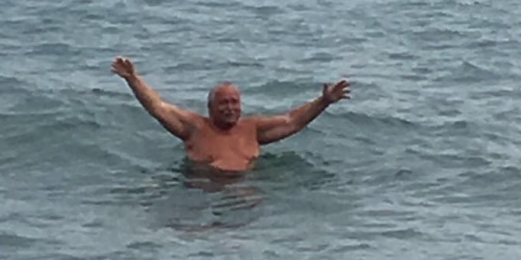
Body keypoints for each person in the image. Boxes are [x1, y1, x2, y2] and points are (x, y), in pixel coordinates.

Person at [112, 56, 350, 173]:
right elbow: (158, 107)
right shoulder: (194, 128)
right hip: (202, 191)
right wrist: (133, 79)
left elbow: (292, 121)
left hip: (244, 192)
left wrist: (324, 101)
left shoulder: (252, 129)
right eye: (223, 103)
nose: (230, 108)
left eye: (234, 102)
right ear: (210, 107)